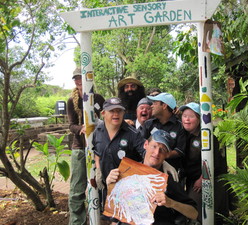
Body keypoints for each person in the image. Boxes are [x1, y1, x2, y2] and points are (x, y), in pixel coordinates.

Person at [106, 129, 198, 225]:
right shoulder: (126, 171)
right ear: (145, 145)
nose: (157, 153)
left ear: (167, 155)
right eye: (154, 146)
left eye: (162, 150)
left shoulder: (166, 180)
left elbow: (194, 213)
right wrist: (110, 184)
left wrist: (170, 202)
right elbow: (114, 213)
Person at [92, 97, 146, 223]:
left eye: (119, 111)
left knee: (128, 219)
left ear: (124, 113)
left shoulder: (133, 134)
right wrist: (98, 170)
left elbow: (146, 153)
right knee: (112, 219)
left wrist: (162, 162)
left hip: (129, 189)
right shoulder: (98, 131)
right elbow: (97, 152)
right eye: (112, 111)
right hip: (108, 186)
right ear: (103, 113)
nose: (116, 114)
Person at [179, 102, 229, 225]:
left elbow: (214, 162)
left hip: (209, 180)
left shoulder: (207, 137)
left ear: (199, 119)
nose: (187, 119)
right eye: (184, 116)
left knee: (200, 213)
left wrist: (203, 178)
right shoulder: (184, 135)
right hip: (192, 180)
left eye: (191, 116)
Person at [67, 67, 105, 225]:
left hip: (98, 147)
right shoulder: (72, 100)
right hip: (79, 148)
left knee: (98, 183)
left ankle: (99, 218)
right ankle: (77, 222)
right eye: (75, 79)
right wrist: (81, 128)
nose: (78, 81)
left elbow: (106, 117)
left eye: (80, 77)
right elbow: (71, 125)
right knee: (77, 188)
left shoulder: (98, 98)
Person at [140, 92, 187, 177]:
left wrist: (163, 156)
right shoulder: (149, 124)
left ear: (164, 106)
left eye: (155, 103)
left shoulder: (180, 126)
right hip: (147, 172)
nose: (152, 106)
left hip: (170, 175)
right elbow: (141, 143)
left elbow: (180, 150)